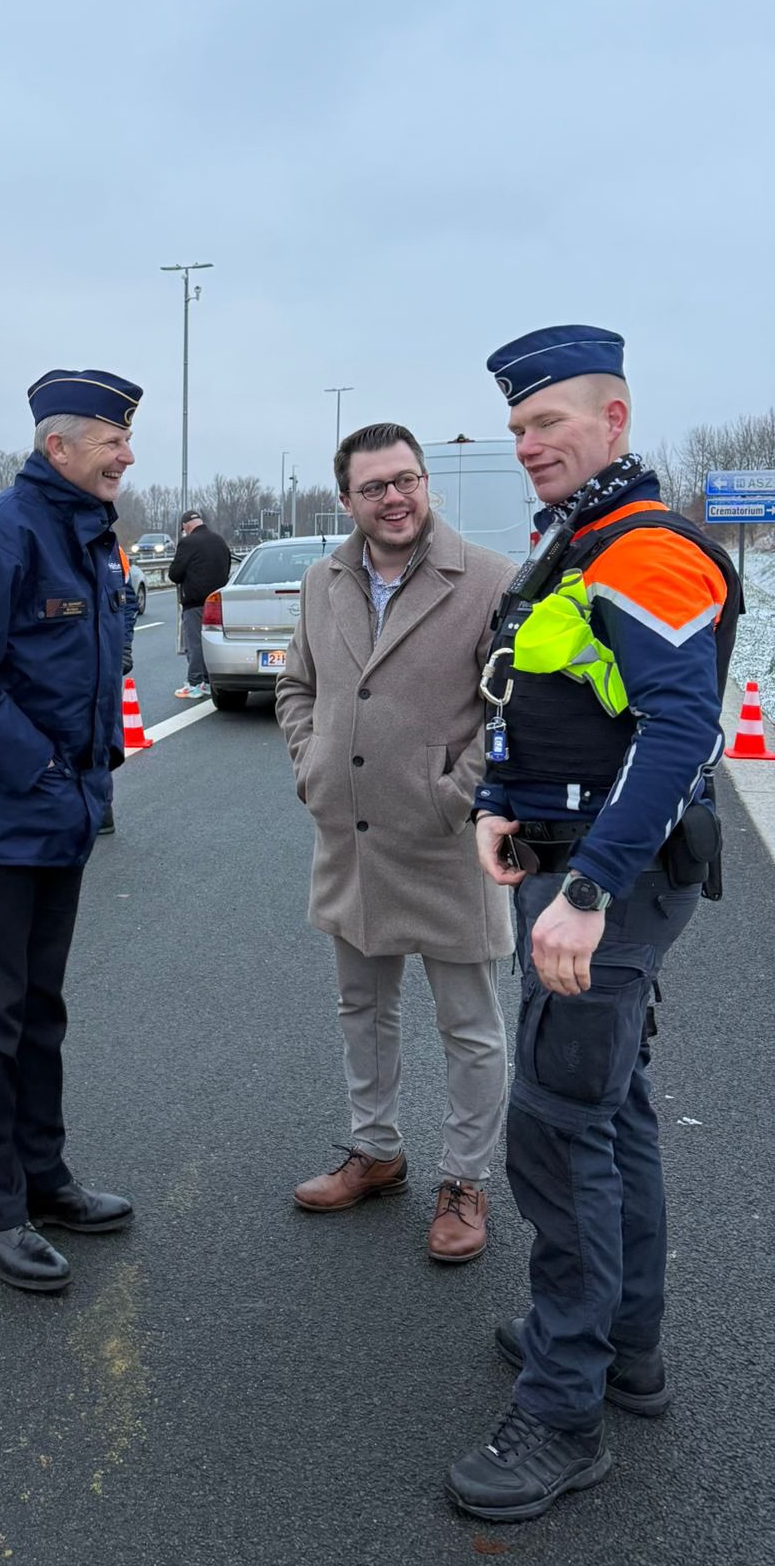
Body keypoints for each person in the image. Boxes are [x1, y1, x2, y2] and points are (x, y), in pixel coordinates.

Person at [445, 326, 740, 1523]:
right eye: (518, 427)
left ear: (615, 420)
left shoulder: (650, 549)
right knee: (608, 1113)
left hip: (603, 889)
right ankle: (626, 1348)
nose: (528, 444)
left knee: (558, 1137)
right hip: (567, 863)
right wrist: (500, 801)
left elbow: (680, 733)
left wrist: (587, 888)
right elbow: (550, 696)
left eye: (549, 422)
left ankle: (565, 1414)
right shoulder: (583, 541)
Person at [0, 369, 141, 1294]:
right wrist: (43, 769)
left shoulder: (89, 537)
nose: (126, 453)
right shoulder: (2, 533)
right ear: (59, 448)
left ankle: (44, 1178)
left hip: (63, 816)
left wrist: (92, 768)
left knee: (42, 1010)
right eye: (111, 439)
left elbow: (91, 664)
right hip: (7, 819)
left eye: (127, 439)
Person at [276, 422, 516, 1262]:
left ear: (426, 485)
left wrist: (457, 796)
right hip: (350, 840)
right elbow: (295, 684)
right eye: (374, 486)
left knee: (469, 1027)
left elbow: (512, 714)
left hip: (447, 843)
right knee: (362, 1010)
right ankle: (375, 1152)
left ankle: (465, 1180)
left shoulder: (488, 580)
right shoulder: (321, 580)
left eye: (406, 479)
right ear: (347, 500)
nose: (395, 497)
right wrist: (312, 767)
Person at [99, 543, 140, 838]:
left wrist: (124, 645)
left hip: (107, 660)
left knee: (104, 734)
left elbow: (126, 603)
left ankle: (102, 810)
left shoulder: (115, 552)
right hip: (74, 661)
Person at [168, 508, 231, 699]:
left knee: (194, 643)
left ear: (186, 526)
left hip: (194, 602)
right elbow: (227, 564)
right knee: (212, 641)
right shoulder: (219, 541)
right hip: (217, 602)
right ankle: (209, 680)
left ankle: (195, 682)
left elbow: (174, 574)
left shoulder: (188, 542)